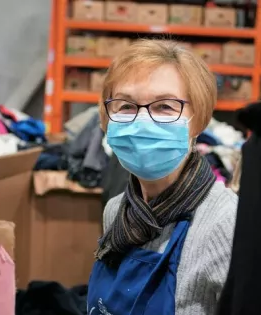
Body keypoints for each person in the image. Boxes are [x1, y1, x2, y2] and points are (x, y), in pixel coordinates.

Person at [87, 39, 238, 314]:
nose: (142, 121)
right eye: (126, 106)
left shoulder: (226, 225)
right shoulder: (116, 210)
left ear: (199, 119)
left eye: (165, 107)